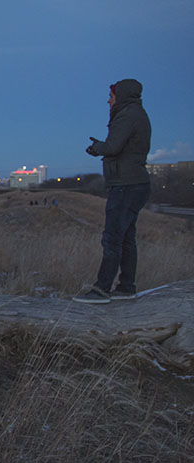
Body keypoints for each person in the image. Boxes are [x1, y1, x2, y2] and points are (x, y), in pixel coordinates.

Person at [74, 79, 152, 304]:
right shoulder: (137, 114)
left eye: (111, 96)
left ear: (122, 96)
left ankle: (101, 290)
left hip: (125, 185)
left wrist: (98, 148)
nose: (108, 100)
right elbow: (122, 146)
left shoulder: (126, 115)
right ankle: (126, 287)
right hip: (135, 183)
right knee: (126, 238)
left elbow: (112, 147)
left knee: (112, 238)